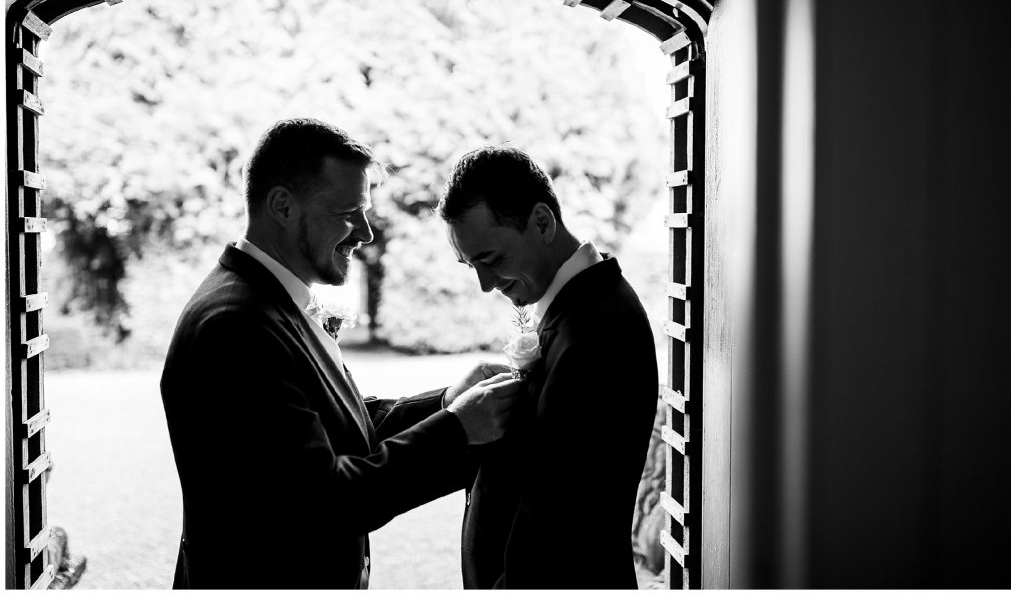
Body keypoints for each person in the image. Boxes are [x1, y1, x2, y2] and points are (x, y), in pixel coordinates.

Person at [160, 119, 520, 589]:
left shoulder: (270, 300)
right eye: (348, 212)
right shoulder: (236, 326)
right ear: (283, 206)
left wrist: (448, 401)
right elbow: (324, 502)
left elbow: (340, 429)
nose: (366, 233)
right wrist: (457, 431)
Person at [439, 146, 659, 589]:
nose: (484, 285)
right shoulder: (576, 309)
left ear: (542, 222)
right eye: (470, 265)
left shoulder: (596, 333)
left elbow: (561, 529)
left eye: (491, 260)